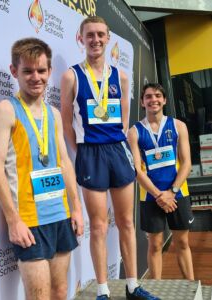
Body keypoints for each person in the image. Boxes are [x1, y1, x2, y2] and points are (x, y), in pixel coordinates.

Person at [61, 16, 160, 300]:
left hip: (117, 149)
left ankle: (132, 285)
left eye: (101, 35)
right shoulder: (71, 76)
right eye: (90, 35)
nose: (96, 40)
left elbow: (125, 118)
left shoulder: (122, 76)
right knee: (100, 225)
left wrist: (118, 146)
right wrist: (82, 153)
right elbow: (66, 123)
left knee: (127, 222)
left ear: (108, 39)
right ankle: (103, 290)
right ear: (81, 39)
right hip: (90, 152)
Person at [0, 37, 84, 300]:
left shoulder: (53, 114)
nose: (35, 77)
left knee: (61, 291)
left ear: (50, 72)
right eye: (27, 71)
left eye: (41, 70)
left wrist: (75, 207)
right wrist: (13, 220)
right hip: (29, 220)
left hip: (60, 214)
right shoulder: (6, 110)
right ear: (14, 71)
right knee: (39, 296)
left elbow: (64, 162)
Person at [128, 83, 194, 280]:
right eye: (148, 96)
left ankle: (191, 287)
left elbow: (187, 163)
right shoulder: (134, 132)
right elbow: (136, 170)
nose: (153, 99)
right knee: (155, 245)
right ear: (142, 102)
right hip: (150, 196)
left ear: (164, 100)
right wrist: (159, 195)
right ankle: (156, 291)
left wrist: (171, 192)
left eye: (157, 95)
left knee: (182, 242)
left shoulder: (178, 126)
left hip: (178, 193)